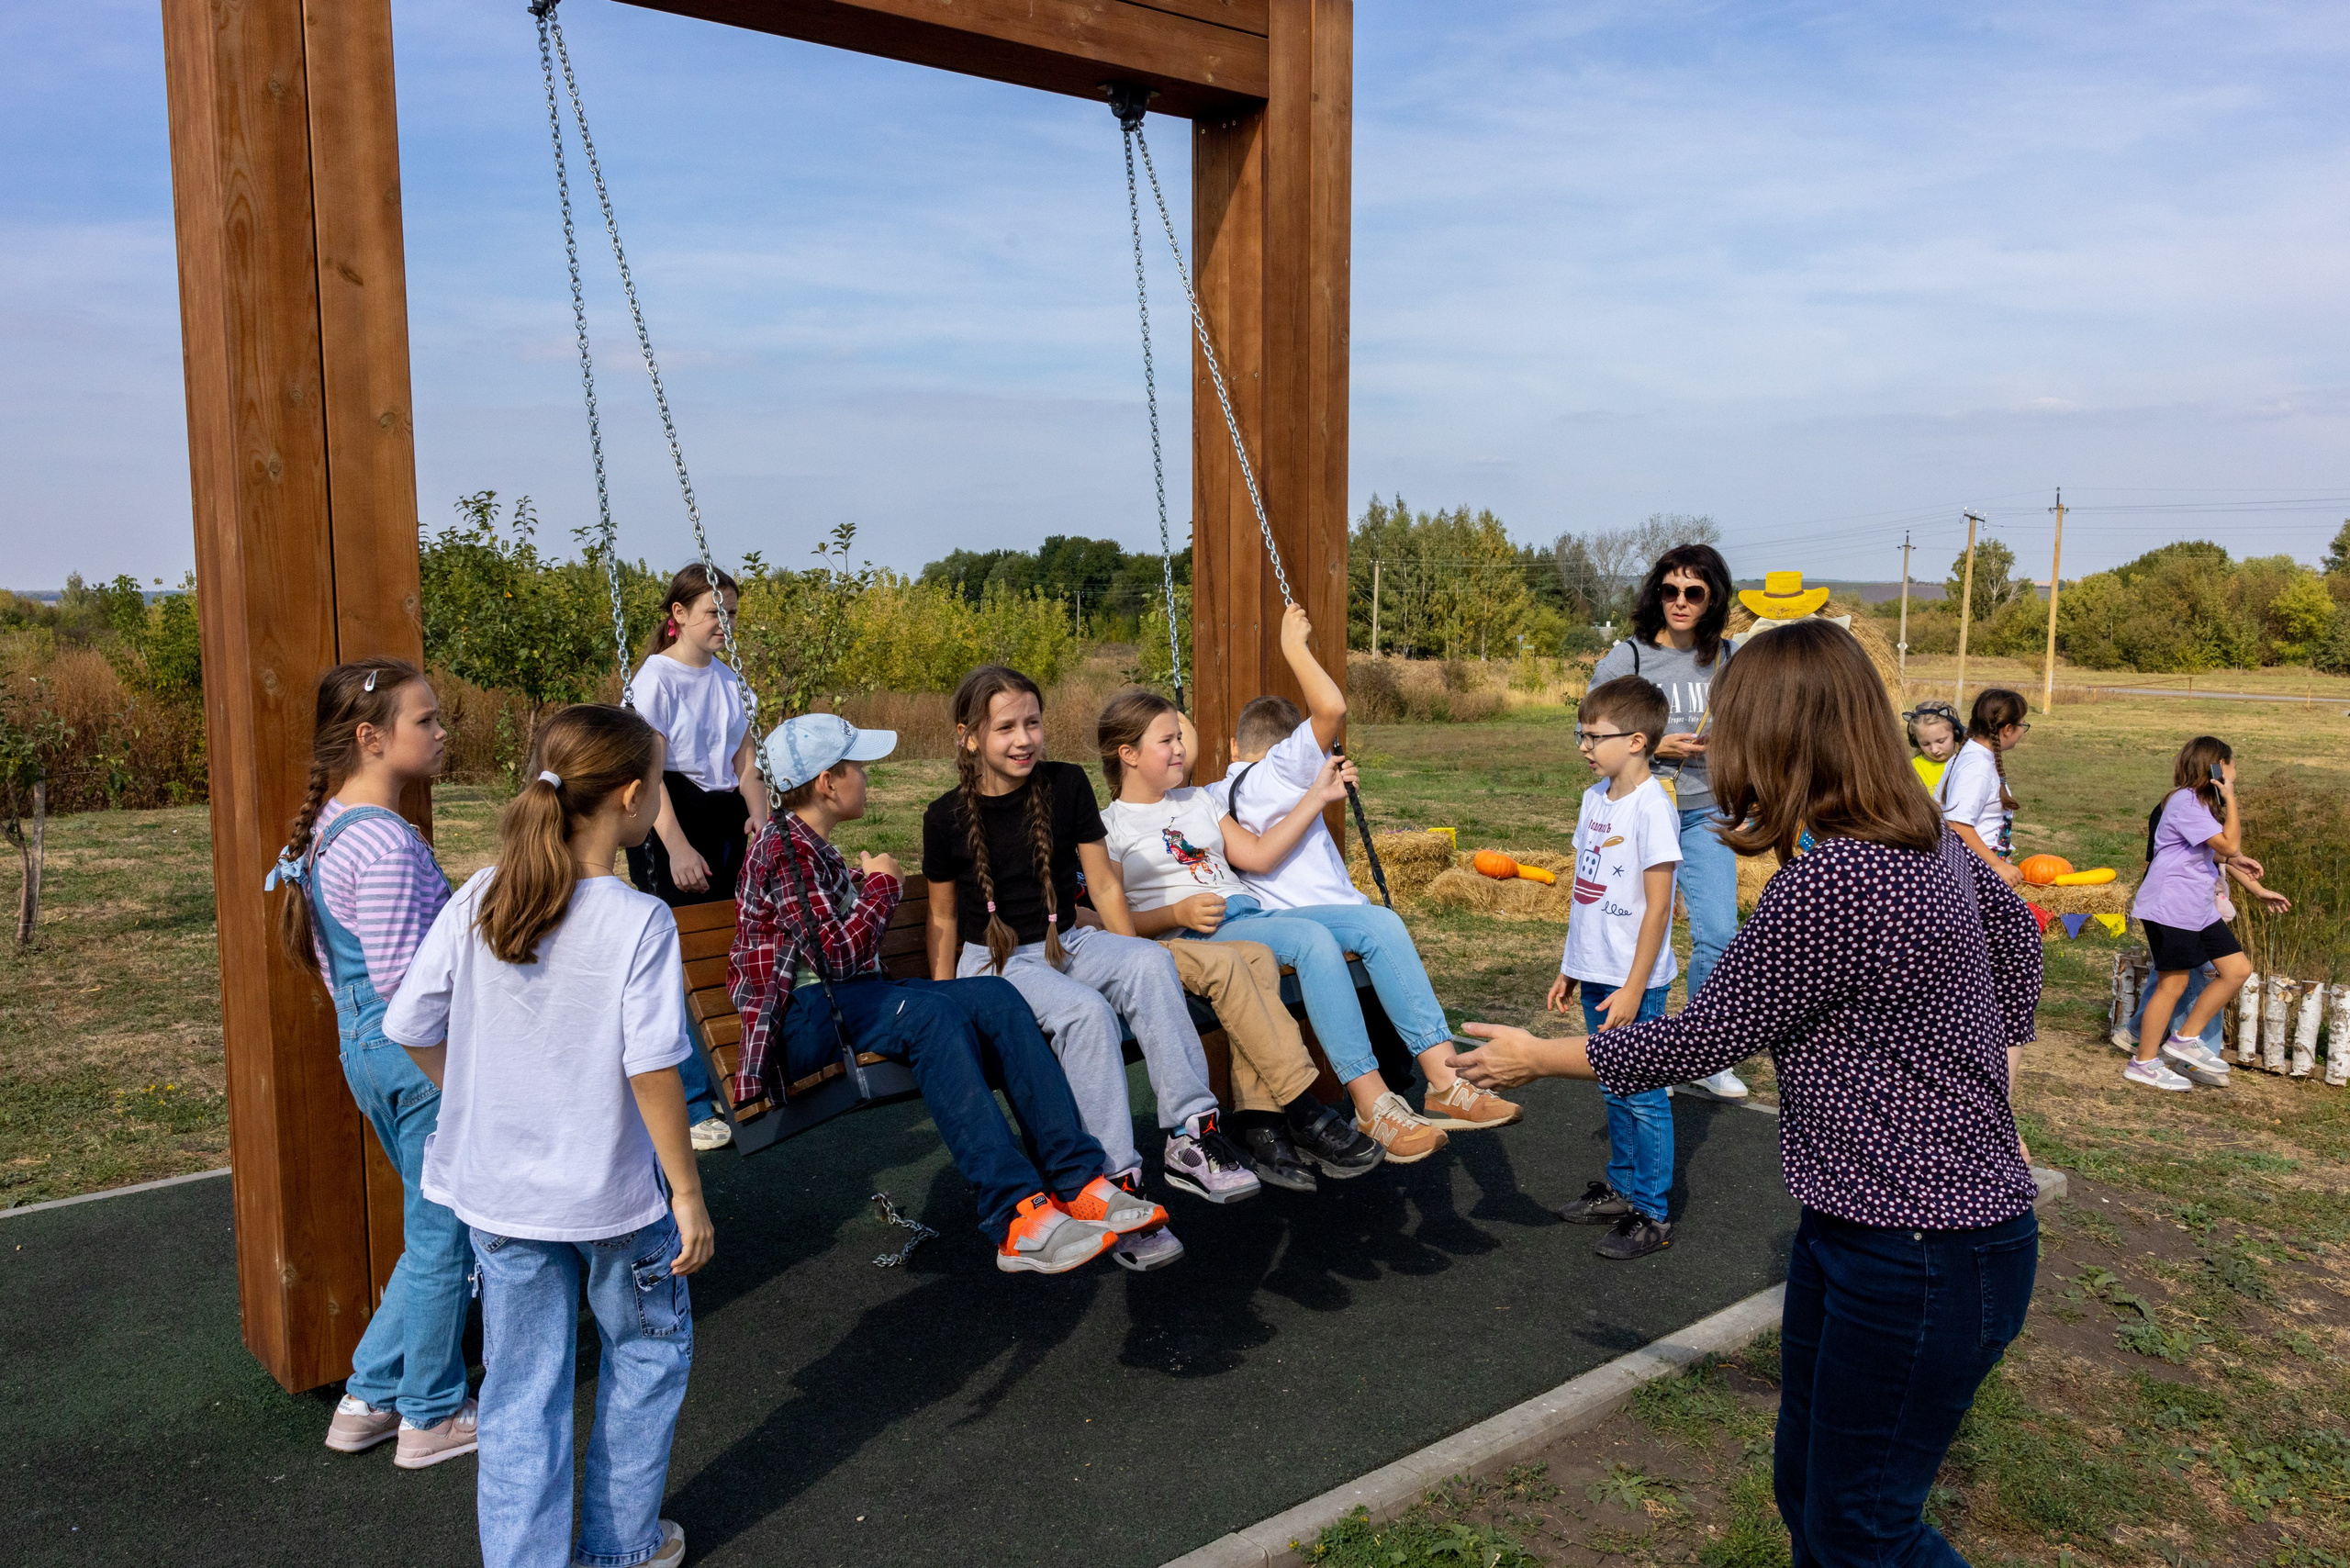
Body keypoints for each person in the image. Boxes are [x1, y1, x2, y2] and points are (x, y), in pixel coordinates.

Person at [1449, 618, 2042, 1568]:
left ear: (1781, 734)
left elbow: (1702, 1037)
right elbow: (2022, 940)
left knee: (1861, 1532)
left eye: (1728, 724)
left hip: (1920, 1253)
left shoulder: (1835, 884)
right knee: (1810, 1496)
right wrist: (1998, 1089)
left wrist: (1535, 1057)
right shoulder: (1928, 842)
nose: (1713, 746)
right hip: (1866, 1231)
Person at [384, 705, 711, 1568]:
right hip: (616, 1199)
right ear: (633, 798)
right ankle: (622, 1546)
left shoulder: (481, 896)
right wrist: (686, 1190)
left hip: (499, 1195)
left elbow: (409, 1020)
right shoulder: (637, 921)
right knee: (647, 1355)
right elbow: (652, 1070)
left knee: (520, 1393)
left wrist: (472, 1095)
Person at [729, 712, 1163, 1273]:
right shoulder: (783, 848)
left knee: (998, 996)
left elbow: (824, 938)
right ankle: (1016, 1215)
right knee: (931, 1016)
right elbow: (836, 956)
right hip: (804, 1017)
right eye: (858, 767)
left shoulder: (812, 847)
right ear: (827, 782)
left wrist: (863, 885)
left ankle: (1078, 1178)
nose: (868, 778)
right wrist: (884, 884)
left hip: (847, 998)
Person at [923, 666, 1259, 1274]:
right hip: (995, 962)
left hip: (1066, 939)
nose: (1025, 738)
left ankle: (1190, 1135)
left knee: (1150, 964)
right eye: (1006, 728)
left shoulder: (1065, 785)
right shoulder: (945, 817)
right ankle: (1112, 1187)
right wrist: (946, 1006)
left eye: (1033, 722)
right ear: (969, 737)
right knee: (1085, 1012)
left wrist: (1133, 958)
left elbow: (1102, 882)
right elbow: (943, 920)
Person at [1095, 686, 1489, 1166]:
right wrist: (1173, 915)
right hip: (1194, 939)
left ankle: (1447, 1080)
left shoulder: (1199, 801)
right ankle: (1373, 1105)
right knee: (1309, 940)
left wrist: (1317, 797)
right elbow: (1113, 918)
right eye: (1167, 741)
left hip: (1249, 917)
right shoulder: (1108, 827)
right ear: (1128, 754)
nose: (1181, 748)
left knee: (1377, 922)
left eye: (1180, 737)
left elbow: (1257, 855)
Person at [267, 657, 477, 1469]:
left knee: (431, 1230)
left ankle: (367, 1398)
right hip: (414, 1059)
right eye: (425, 720)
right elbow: (406, 994)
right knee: (444, 1236)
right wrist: (457, 1079)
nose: (440, 730)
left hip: (369, 1053)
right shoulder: (385, 844)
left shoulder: (334, 832)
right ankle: (429, 1416)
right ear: (370, 737)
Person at [1206, 602, 1525, 1135]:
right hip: (1323, 919)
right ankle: (1445, 1082)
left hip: (1287, 919)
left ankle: (1417, 1091)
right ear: (1293, 746)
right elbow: (1330, 708)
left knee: (1374, 928)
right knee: (1381, 925)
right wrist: (1294, 648)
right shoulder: (1282, 767)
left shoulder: (1213, 794)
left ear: (1235, 745)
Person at [1590, 543, 1748, 1103]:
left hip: (1707, 809)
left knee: (1719, 934)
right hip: (1639, 815)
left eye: (1694, 592)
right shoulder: (1626, 660)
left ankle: (1698, 1053)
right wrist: (1657, 748)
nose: (1680, 602)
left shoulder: (1731, 657)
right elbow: (1590, 736)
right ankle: (1634, 1050)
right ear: (1656, 593)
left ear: (1713, 598)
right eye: (1670, 590)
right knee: (1637, 932)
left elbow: (1761, 725)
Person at [626, 562, 766, 1151]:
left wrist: (760, 817)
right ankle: (685, 1099)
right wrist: (676, 846)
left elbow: (746, 761)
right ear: (678, 616)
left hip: (724, 812)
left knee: (733, 939)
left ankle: (736, 1075)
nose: (724, 625)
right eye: (714, 614)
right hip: (670, 814)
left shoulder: (731, 682)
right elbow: (649, 770)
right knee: (676, 954)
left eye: (731, 615)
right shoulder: (655, 678)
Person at [1546, 676, 1682, 1260]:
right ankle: (1622, 1190)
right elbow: (1585, 890)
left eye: (1592, 735)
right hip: (1597, 968)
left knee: (1645, 1093)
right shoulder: (1593, 798)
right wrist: (1571, 965)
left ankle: (1651, 1212)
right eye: (1580, 733)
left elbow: (1659, 907)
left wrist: (1633, 986)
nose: (1583, 745)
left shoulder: (1654, 807)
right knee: (1613, 1082)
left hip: (1637, 980)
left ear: (1636, 740)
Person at [2124, 737, 2287, 1091]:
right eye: (2232, 765)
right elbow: (2228, 843)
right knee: (2173, 983)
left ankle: (2184, 1039)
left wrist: (2236, 864)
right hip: (2172, 905)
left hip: (2197, 906)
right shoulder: (2186, 800)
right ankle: (2143, 1062)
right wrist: (2230, 798)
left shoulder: (2197, 804)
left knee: (2237, 969)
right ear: (2217, 767)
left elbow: (2215, 850)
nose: (2235, 772)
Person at [1935, 688, 2029, 887]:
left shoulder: (1970, 756)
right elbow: (1957, 824)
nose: (2023, 731)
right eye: (2023, 725)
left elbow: (1937, 806)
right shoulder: (1977, 766)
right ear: (2008, 729)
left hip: (1977, 868)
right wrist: (1997, 865)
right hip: (1976, 872)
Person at [1903, 700, 1963, 792]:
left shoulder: (1967, 763)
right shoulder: (1911, 770)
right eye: (1925, 744)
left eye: (1941, 741)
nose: (1934, 750)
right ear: (1915, 741)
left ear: (1956, 733)